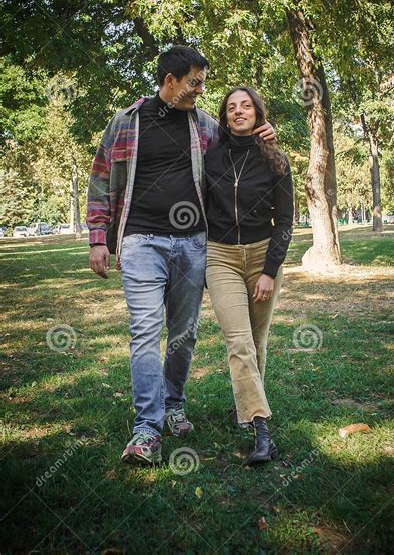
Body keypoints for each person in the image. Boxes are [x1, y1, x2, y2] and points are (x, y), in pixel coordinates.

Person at [87, 46, 276, 466]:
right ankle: (147, 429)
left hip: (193, 243)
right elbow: (101, 178)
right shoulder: (126, 123)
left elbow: (240, 145)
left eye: (203, 82)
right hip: (139, 242)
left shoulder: (205, 126)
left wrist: (265, 133)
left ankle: (173, 403)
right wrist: (99, 237)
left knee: (184, 334)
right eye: (194, 82)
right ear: (169, 81)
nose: (200, 90)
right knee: (145, 332)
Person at [204, 86, 294, 466]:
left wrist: (270, 271)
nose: (238, 111)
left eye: (246, 106)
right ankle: (261, 430)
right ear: (224, 117)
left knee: (257, 341)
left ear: (258, 113)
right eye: (231, 107)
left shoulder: (276, 159)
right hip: (219, 255)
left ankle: (247, 406)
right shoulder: (210, 158)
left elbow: (286, 221)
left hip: (262, 255)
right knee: (238, 341)